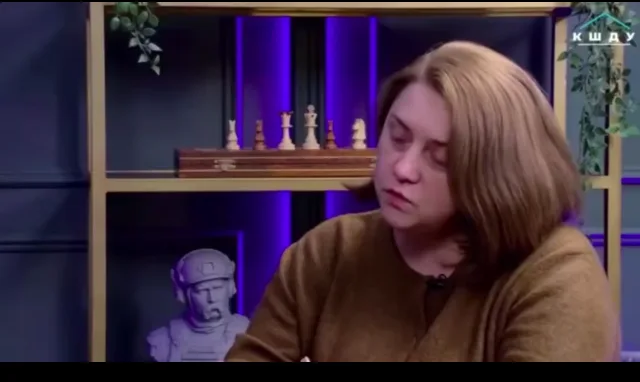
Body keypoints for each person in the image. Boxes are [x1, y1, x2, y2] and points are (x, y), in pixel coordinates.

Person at [225, 41, 620, 362]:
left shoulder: (557, 274)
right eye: (398, 137)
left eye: (440, 158)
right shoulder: (329, 250)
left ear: (497, 175)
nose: (403, 168)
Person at [147, 248, 249, 362]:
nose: (212, 298)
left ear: (230, 288)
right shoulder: (162, 340)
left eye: (218, 288)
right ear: (184, 295)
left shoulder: (249, 333)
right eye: (202, 290)